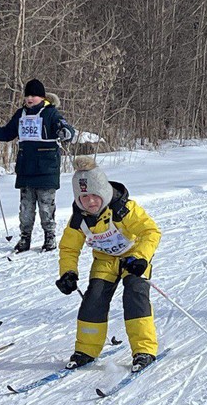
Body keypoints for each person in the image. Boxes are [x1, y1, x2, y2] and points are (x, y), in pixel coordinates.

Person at [55, 156, 162, 373]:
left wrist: (141, 257)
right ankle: (86, 350)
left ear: (103, 191)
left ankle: (143, 350)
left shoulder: (123, 209)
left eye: (95, 195)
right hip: (105, 261)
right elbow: (69, 248)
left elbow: (150, 231)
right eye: (84, 197)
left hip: (133, 259)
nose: (91, 202)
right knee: (93, 299)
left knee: (135, 295)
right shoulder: (79, 219)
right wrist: (68, 273)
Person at [0, 79, 74, 253]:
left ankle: (49, 237)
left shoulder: (51, 113)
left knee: (46, 206)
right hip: (26, 168)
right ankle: (25, 237)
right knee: (26, 208)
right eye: (27, 95)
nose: (29, 99)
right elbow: (7, 133)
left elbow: (67, 128)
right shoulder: (21, 114)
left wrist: (65, 133)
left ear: (42, 97)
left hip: (47, 169)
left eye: (33, 96)